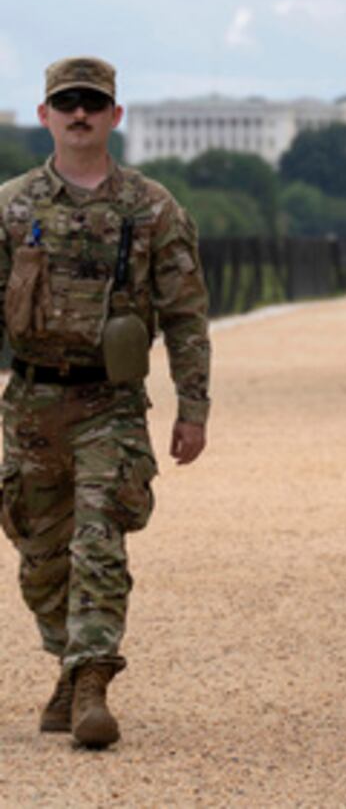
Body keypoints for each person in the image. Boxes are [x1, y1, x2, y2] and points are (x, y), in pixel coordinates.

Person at [0, 57, 211, 748]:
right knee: (39, 556)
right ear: (45, 116)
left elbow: (185, 314)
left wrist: (193, 406)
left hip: (109, 403)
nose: (80, 113)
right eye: (68, 102)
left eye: (94, 102)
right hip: (32, 402)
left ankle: (92, 678)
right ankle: (67, 658)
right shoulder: (12, 207)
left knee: (99, 540)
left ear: (115, 116)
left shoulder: (150, 208)